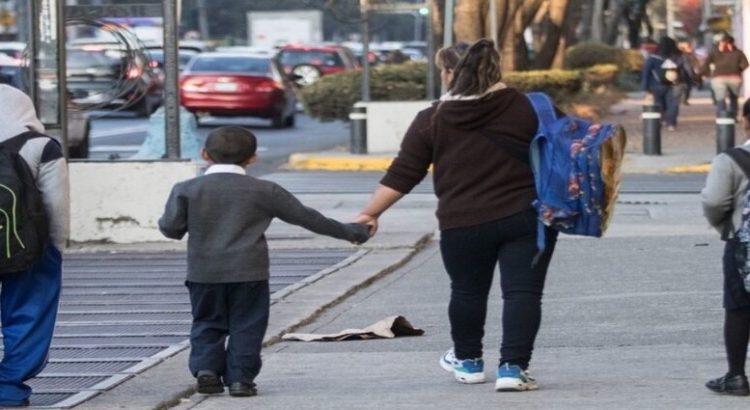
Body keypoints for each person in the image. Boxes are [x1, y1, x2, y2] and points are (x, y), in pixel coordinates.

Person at [354, 39, 558, 392]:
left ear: (450, 73)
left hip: (463, 223)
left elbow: (403, 175)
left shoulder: (432, 118)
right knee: (523, 293)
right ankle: (513, 368)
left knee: (466, 291)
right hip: (526, 217)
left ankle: (468, 361)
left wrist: (369, 214)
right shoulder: (529, 107)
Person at [158, 126, 370, 398]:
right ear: (253, 158)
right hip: (250, 272)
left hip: (204, 273)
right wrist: (354, 231)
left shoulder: (187, 189)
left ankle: (206, 371)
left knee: (207, 321)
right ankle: (241, 380)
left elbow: (171, 229)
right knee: (247, 325)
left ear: (204, 154)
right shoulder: (265, 190)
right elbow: (307, 218)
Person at [0, 84, 70, 407]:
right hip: (28, 246)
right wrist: (55, 247)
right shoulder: (41, 146)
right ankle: (9, 387)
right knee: (29, 310)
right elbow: (57, 203)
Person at [701, 135, 750, 396]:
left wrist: (726, 226)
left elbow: (714, 201)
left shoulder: (732, 160)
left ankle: (736, 376)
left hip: (743, 243)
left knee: (738, 306)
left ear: (745, 121)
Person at [641, 36, 686, 131]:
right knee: (672, 104)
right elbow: (683, 70)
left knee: (658, 103)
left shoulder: (653, 58)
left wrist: (645, 87)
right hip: (674, 84)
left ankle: (660, 121)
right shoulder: (677, 57)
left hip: (656, 85)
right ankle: (671, 124)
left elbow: (646, 72)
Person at [701, 34, 749, 116]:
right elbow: (746, 64)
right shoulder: (738, 52)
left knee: (720, 99)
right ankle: (733, 117)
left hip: (718, 78)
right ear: (733, 43)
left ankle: (722, 117)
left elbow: (706, 64)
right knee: (733, 98)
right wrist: (738, 70)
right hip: (735, 77)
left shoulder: (715, 52)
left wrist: (706, 73)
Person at [676, 39, 702, 105]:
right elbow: (686, 66)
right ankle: (682, 99)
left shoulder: (692, 55)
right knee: (685, 87)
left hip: (689, 73)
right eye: (688, 47)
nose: (691, 48)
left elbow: (696, 64)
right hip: (684, 73)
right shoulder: (683, 55)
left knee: (688, 87)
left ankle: (684, 99)